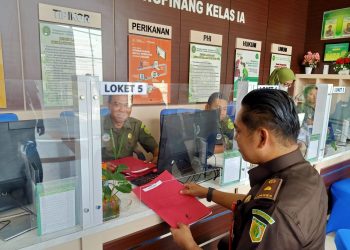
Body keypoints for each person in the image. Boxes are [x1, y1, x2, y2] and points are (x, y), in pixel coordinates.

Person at [171, 89, 327, 250]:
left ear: (262, 137)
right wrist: (207, 193)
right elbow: (251, 202)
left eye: (239, 131)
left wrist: (188, 245)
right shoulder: (307, 174)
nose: (236, 138)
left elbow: (268, 209)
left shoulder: (275, 214)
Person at [101, 95, 159, 170]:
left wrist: (157, 156)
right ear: (109, 105)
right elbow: (84, 157)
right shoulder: (97, 125)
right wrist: (102, 166)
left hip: (128, 172)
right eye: (117, 104)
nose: (122, 110)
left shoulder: (136, 125)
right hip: (103, 173)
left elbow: (154, 147)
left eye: (126, 105)